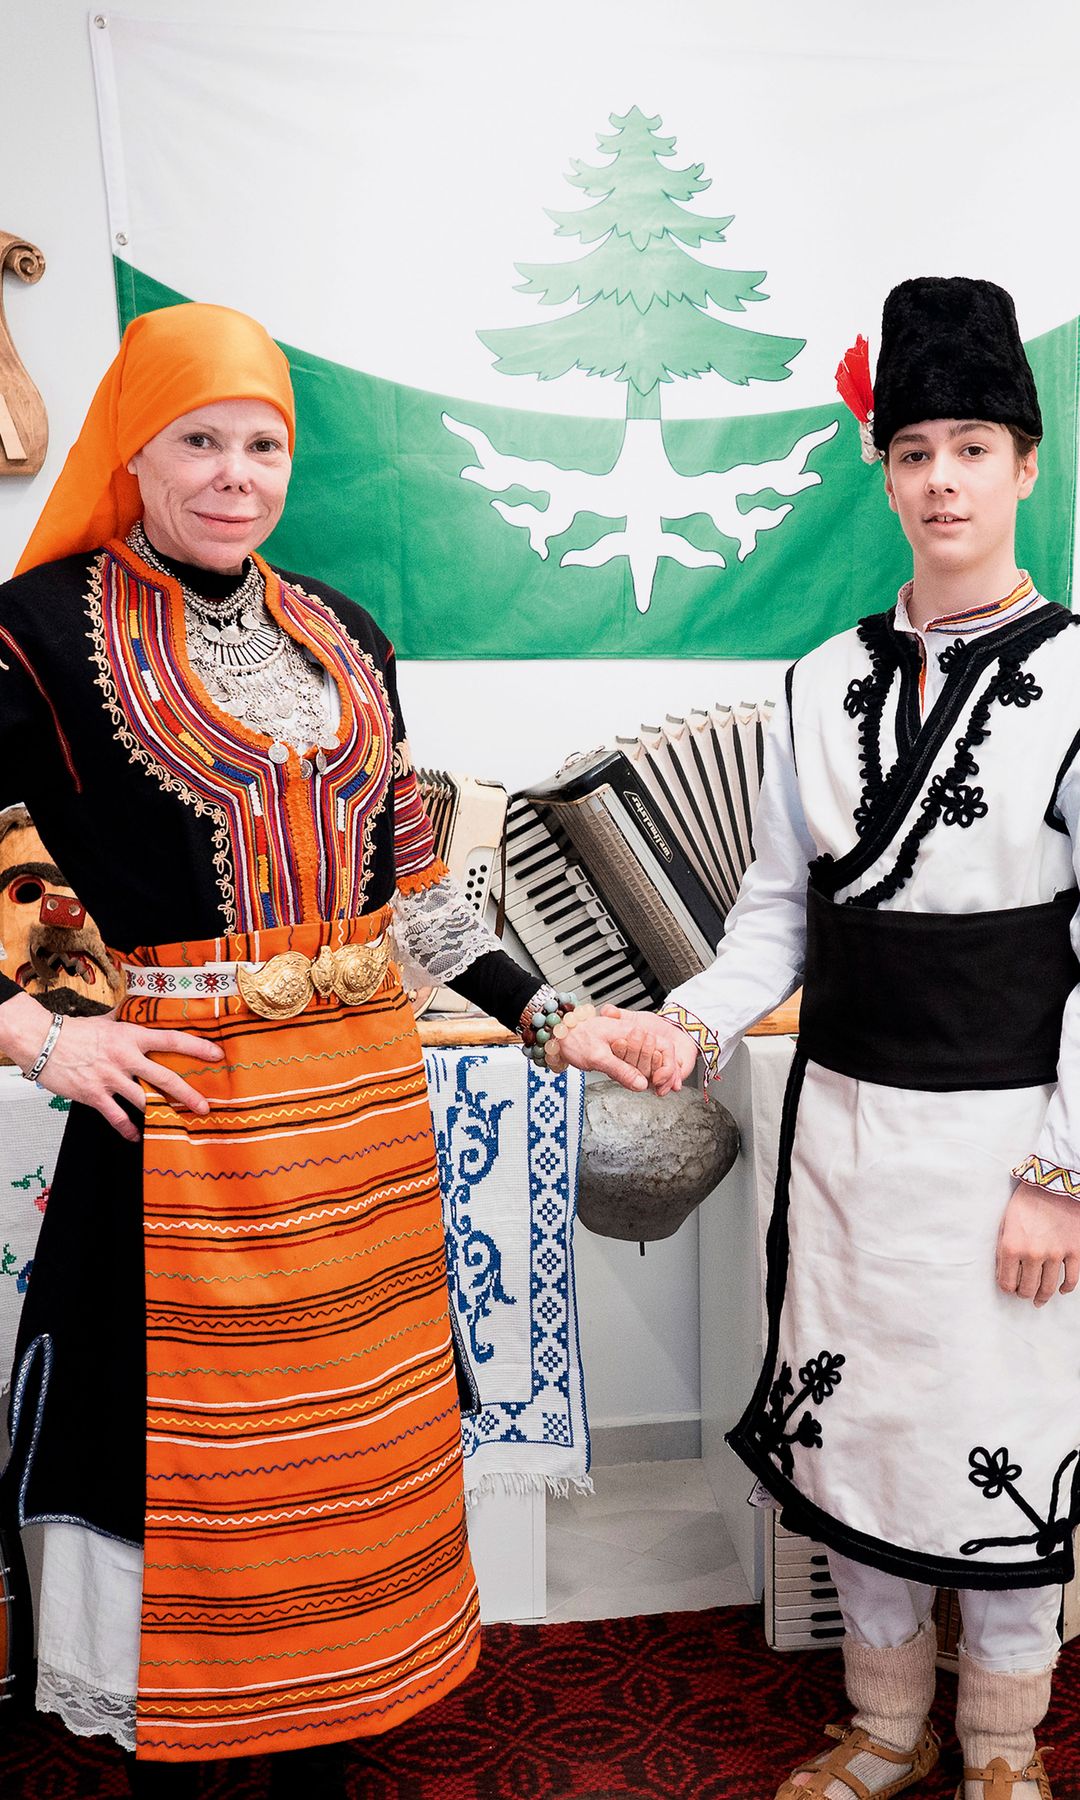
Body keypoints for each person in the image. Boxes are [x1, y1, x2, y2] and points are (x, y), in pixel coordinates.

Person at [0, 302, 567, 1797]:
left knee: (348, 1456)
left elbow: (415, 888)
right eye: (199, 439)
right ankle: (184, 1741)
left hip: (361, 1116)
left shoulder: (345, 633)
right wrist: (36, 1038)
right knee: (192, 1468)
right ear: (139, 446)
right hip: (181, 1118)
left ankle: (330, 1719)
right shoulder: (40, 631)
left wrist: (548, 1016)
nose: (235, 474)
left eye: (264, 444)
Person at [552, 277, 1080, 1800]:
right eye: (914, 451)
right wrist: (685, 1033)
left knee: (998, 1445)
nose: (943, 481)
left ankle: (1000, 1747)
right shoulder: (820, 680)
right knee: (867, 1441)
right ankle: (883, 1723)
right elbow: (773, 927)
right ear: (883, 471)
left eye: (975, 447)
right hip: (847, 1139)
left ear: (1025, 466)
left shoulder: (1078, 679)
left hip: (1009, 1146)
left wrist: (1062, 1168)